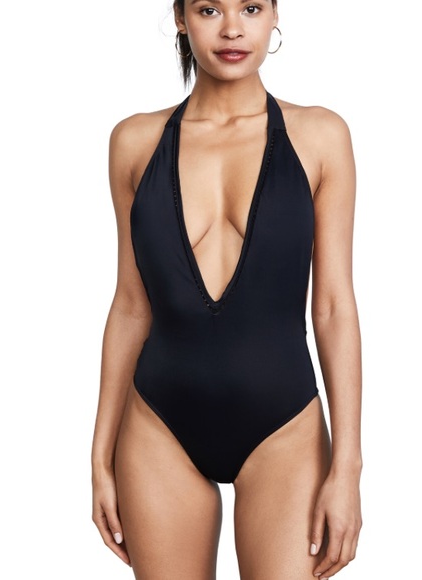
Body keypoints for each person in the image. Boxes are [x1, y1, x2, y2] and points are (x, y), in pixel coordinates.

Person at [91, 0, 363, 578]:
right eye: (211, 9)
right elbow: (131, 305)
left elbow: (334, 307)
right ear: (181, 17)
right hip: (158, 427)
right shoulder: (134, 142)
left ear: (275, 15)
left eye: (251, 7)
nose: (233, 29)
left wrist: (348, 469)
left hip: (284, 429)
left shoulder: (320, 136)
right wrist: (99, 456)